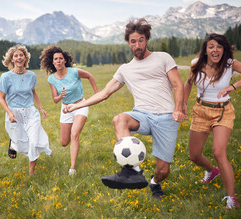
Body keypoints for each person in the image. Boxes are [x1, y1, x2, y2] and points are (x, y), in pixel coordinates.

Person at [65, 18, 187, 198]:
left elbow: (178, 85)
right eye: (133, 41)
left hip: (166, 117)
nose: (137, 45)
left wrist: (178, 109)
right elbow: (105, 93)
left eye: (141, 40)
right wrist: (78, 105)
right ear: (128, 43)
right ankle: (132, 170)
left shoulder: (163, 58)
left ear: (146, 40)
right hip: (142, 115)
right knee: (119, 119)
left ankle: (154, 182)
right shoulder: (125, 69)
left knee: (163, 170)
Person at [183, 33, 241, 209]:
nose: (215, 50)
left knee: (219, 153)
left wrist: (233, 86)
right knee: (194, 155)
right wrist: (181, 104)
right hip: (200, 111)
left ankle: (231, 198)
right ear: (205, 50)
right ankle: (212, 171)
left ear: (224, 49)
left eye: (219, 46)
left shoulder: (230, 64)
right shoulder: (195, 64)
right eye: (211, 46)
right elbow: (189, 83)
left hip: (223, 112)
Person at [40, 45, 98, 175]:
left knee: (74, 134)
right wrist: (60, 96)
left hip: (80, 106)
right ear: (53, 62)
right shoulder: (51, 79)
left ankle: (72, 168)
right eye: (56, 59)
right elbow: (55, 99)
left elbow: (89, 76)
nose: (59, 61)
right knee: (64, 142)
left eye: (61, 58)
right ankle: (74, 145)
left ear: (65, 60)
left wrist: (96, 93)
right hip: (66, 109)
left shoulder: (74, 72)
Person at [0, 44, 51, 175]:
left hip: (30, 112)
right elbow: (1, 98)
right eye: (16, 56)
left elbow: (33, 92)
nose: (19, 58)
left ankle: (31, 173)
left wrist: (41, 107)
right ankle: (13, 144)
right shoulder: (5, 77)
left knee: (34, 141)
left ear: (25, 58)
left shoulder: (31, 75)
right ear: (11, 59)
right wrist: (9, 112)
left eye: (21, 55)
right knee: (22, 146)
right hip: (14, 114)